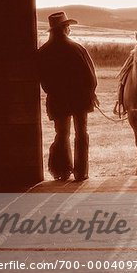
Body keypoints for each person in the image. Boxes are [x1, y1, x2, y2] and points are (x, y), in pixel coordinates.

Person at [38, 11, 98, 181]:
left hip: (57, 98)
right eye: (68, 26)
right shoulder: (77, 48)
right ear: (65, 28)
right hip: (79, 98)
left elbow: (42, 79)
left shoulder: (43, 52)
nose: (69, 29)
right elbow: (90, 76)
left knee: (62, 133)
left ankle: (62, 171)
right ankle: (81, 172)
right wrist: (91, 92)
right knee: (81, 133)